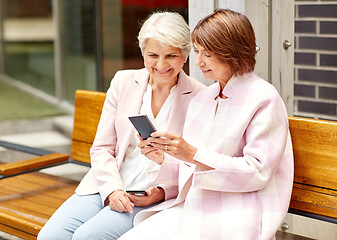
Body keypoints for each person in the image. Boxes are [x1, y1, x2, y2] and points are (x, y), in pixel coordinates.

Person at [119, 9, 294, 240]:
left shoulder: (263, 98)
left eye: (208, 54)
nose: (199, 61)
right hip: (192, 205)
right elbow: (193, 167)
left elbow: (257, 171)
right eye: (198, 52)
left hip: (236, 213)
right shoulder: (203, 99)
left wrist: (191, 153)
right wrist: (163, 157)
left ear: (232, 52)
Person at [37, 11, 205, 240]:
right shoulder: (123, 82)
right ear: (142, 52)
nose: (161, 64)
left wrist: (161, 193)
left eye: (171, 56)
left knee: (87, 237)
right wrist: (113, 189)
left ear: (185, 55)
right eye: (153, 55)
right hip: (106, 184)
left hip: (147, 196)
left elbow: (195, 166)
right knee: (50, 237)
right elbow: (101, 148)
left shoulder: (200, 97)